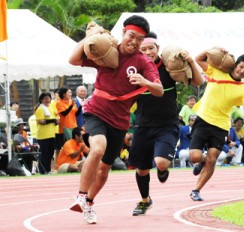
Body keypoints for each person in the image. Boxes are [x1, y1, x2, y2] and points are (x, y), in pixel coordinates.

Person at [68, 15, 163, 224]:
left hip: (120, 121)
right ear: (123, 33)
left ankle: (89, 203)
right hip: (97, 111)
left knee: (104, 169)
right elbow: (73, 60)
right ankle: (81, 196)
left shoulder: (142, 61)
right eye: (132, 36)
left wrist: (145, 81)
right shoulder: (105, 49)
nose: (135, 42)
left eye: (140, 39)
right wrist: (90, 37)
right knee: (98, 148)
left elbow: (159, 90)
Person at [129, 31, 204, 216]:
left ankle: (162, 171)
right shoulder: (134, 68)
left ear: (158, 49)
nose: (148, 52)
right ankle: (145, 200)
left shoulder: (169, 67)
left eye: (151, 48)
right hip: (142, 125)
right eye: (143, 49)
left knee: (161, 163)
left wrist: (191, 61)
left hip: (167, 125)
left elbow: (198, 81)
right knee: (142, 169)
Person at [189, 49, 244, 201]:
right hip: (203, 119)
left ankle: (196, 190)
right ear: (235, 65)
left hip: (220, 126)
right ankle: (202, 161)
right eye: (241, 67)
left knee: (213, 158)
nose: (242, 71)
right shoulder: (216, 72)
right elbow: (198, 58)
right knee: (195, 156)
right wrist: (214, 49)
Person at [35, 92, 59, 174]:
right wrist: (51, 121)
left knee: (50, 153)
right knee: (44, 154)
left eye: (48, 98)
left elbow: (56, 117)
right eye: (45, 98)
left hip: (51, 134)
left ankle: (48, 169)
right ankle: (42, 170)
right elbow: (40, 121)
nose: (47, 100)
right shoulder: (40, 109)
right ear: (41, 100)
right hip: (43, 135)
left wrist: (56, 121)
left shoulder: (51, 107)